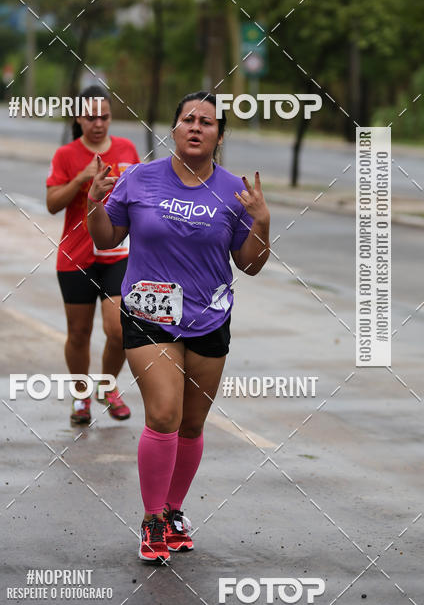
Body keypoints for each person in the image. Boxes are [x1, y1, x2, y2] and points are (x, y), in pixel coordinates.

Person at [86, 91, 270, 562]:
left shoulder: (234, 192)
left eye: (206, 122)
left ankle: (172, 509)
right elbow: (107, 238)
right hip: (149, 314)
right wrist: (93, 205)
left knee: (191, 424)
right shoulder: (140, 180)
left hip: (210, 317)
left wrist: (261, 222)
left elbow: (249, 266)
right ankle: (151, 520)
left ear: (219, 136)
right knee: (164, 413)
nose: (195, 127)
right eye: (187, 118)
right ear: (173, 128)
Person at [46, 88, 140, 426]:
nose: (98, 123)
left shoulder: (126, 149)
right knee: (79, 333)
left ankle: (108, 386)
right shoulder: (66, 155)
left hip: (117, 254)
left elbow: (140, 195)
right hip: (75, 258)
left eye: (104, 116)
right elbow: (52, 204)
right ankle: (81, 394)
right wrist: (81, 179)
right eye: (90, 117)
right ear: (78, 119)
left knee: (118, 330)